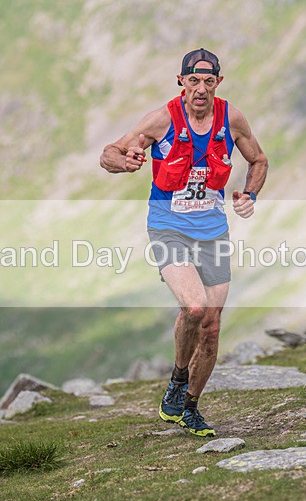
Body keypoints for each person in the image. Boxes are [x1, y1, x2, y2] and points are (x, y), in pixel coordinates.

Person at [99, 48, 268, 436]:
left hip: (213, 232)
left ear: (218, 83)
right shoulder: (161, 120)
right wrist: (123, 162)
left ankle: (189, 407)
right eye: (194, 81)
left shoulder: (232, 119)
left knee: (211, 325)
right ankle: (177, 379)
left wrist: (249, 194)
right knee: (194, 307)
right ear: (181, 81)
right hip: (168, 227)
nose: (201, 89)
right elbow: (109, 153)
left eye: (209, 81)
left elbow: (259, 160)